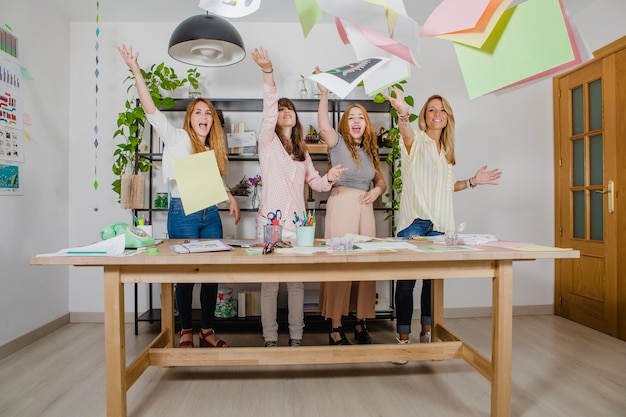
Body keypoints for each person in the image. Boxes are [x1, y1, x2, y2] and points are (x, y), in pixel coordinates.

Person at [118, 45, 241, 348]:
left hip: (210, 214)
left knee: (210, 275)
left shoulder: (212, 148)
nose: (204, 116)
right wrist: (136, 69)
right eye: (198, 112)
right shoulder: (176, 138)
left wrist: (230, 196)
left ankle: (207, 331)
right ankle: (186, 331)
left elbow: (210, 182)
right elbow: (151, 111)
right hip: (182, 213)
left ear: (213, 120)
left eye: (208, 113)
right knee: (185, 275)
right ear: (190, 118)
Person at [382, 87, 502, 363]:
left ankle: (427, 333)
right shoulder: (418, 140)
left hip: (440, 224)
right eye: (432, 109)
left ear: (448, 117)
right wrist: (402, 113)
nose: (438, 114)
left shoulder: (446, 151)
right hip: (415, 222)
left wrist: (472, 181)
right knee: (406, 282)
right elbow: (406, 132)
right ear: (424, 116)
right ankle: (403, 339)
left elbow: (450, 187)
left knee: (432, 282)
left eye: (442, 109)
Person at [250, 47, 346, 348]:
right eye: (281, 109)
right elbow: (267, 109)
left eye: (289, 108)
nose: (285, 112)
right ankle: (269, 340)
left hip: (298, 225)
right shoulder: (266, 142)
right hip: (270, 224)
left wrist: (328, 178)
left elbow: (315, 183)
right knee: (269, 285)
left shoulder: (302, 151)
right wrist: (268, 73)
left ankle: (295, 338)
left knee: (296, 283)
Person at [315, 74, 387, 345]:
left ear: (366, 124)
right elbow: (323, 126)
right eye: (352, 117)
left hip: (365, 208)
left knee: (365, 265)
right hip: (342, 203)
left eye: (361, 118)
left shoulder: (370, 150)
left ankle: (360, 322)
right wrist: (324, 94)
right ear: (345, 123)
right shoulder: (338, 143)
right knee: (340, 264)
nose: (357, 121)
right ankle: (335, 326)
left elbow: (380, 180)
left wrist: (377, 190)